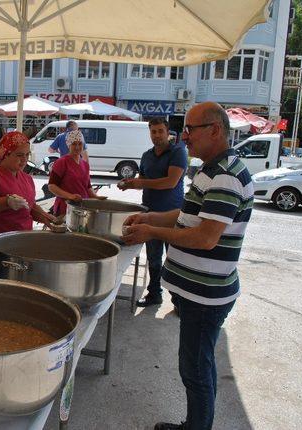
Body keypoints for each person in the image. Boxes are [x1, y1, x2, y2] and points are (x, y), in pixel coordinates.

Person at [122, 102, 254, 430]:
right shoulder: (212, 169)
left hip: (206, 296)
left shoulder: (224, 175)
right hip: (199, 293)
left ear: (215, 130)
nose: (185, 136)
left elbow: (205, 237)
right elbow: (187, 215)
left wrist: (151, 231)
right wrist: (150, 216)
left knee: (195, 371)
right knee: (199, 366)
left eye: (191, 129)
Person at [117, 117, 187, 307]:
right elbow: (143, 180)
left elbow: (170, 182)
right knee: (154, 259)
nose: (156, 135)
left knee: (175, 259)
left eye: (160, 131)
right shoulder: (147, 155)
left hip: (173, 215)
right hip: (149, 215)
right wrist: (130, 184)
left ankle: (179, 300)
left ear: (168, 132)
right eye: (153, 131)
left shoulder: (178, 151)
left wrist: (141, 182)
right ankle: (154, 294)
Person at [0, 131, 57, 276]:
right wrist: (6, 202)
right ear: (5, 154)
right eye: (19, 155)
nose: (24, 160)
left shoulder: (26, 178)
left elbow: (29, 206)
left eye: (27, 155)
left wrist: (47, 218)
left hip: (20, 246)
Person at [48, 130, 105, 216]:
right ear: (68, 145)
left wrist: (96, 197)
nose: (77, 147)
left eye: (80, 144)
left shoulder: (85, 164)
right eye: (74, 144)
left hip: (82, 208)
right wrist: (70, 196)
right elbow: (51, 186)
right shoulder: (61, 162)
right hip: (66, 208)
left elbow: (88, 186)